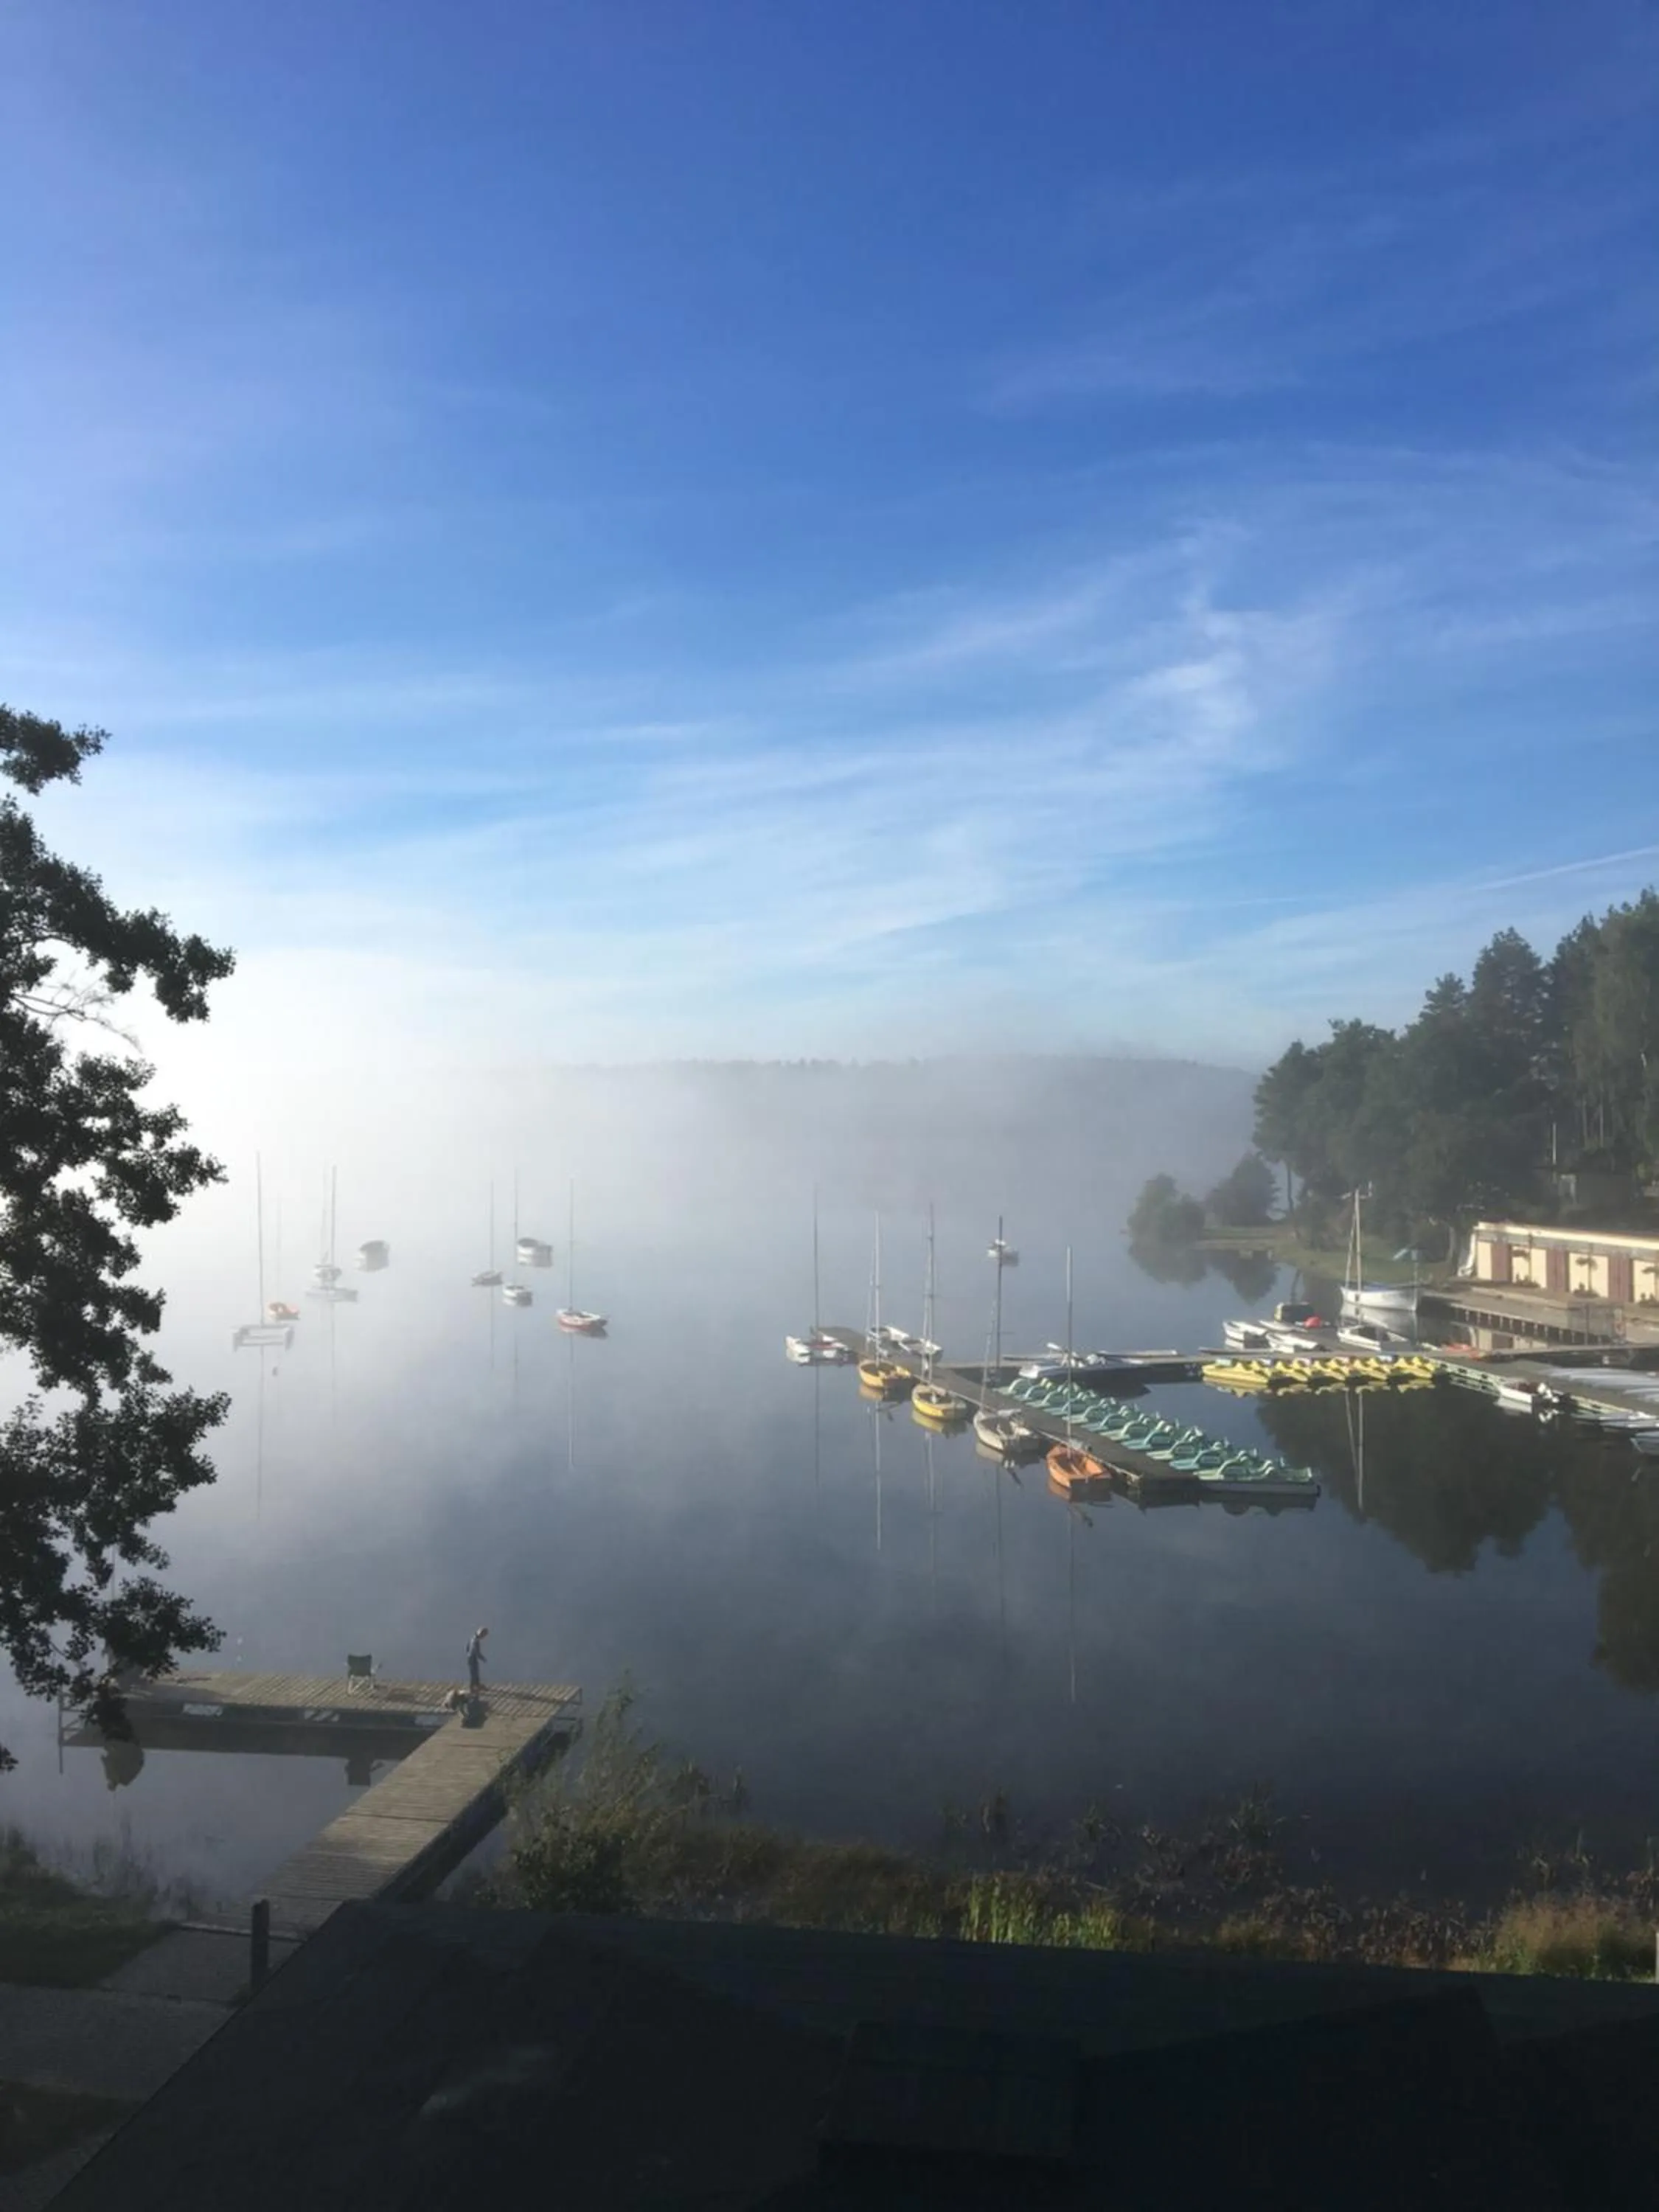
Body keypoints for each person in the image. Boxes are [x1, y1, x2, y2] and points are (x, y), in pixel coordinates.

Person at [465, 1624, 488, 1697]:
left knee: (476, 1671)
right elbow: (477, 1652)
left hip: (471, 1657)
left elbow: (467, 1647)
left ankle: (477, 1685)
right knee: (474, 1673)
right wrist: (482, 1658)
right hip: (472, 1658)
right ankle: (472, 1688)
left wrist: (468, 1654)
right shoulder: (476, 1641)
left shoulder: (472, 1638)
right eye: (484, 1635)